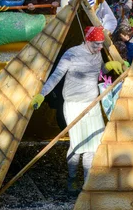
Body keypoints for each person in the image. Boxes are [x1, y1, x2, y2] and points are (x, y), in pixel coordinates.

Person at [31, 26, 123, 193]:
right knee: (77, 145)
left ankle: (87, 185)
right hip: (74, 104)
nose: (100, 47)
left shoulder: (97, 53)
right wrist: (42, 94)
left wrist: (108, 65)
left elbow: (99, 72)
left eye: (101, 44)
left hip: (92, 104)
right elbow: (56, 76)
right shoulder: (71, 54)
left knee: (93, 146)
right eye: (96, 44)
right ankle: (72, 179)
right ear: (87, 41)